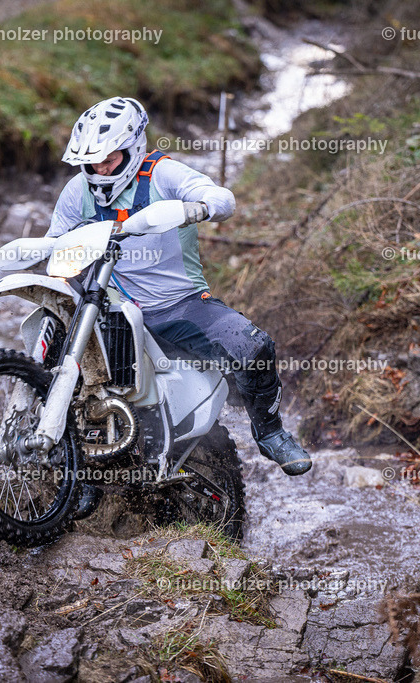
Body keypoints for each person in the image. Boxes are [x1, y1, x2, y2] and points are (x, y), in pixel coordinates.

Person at [47, 97, 312, 514]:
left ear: (133, 148)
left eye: (109, 159)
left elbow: (222, 197)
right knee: (61, 363)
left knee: (253, 347)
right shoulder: (76, 191)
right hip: (110, 309)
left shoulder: (163, 173)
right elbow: (54, 245)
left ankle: (271, 433)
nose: (101, 170)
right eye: (92, 162)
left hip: (180, 305)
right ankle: (73, 470)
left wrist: (199, 207)